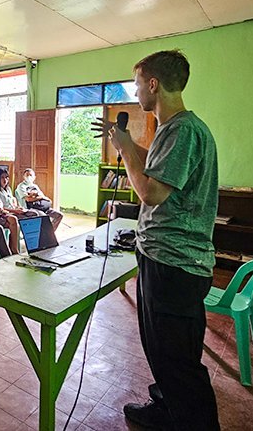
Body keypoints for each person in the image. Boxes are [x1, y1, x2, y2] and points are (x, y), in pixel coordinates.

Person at [92, 49, 220, 430]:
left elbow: (150, 192)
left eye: (137, 85)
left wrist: (125, 147)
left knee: (177, 360)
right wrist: (126, 142)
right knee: (163, 352)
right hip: (165, 260)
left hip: (175, 265)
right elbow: (155, 164)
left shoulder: (181, 129)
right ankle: (166, 409)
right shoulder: (176, 129)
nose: (135, 93)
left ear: (153, 84)